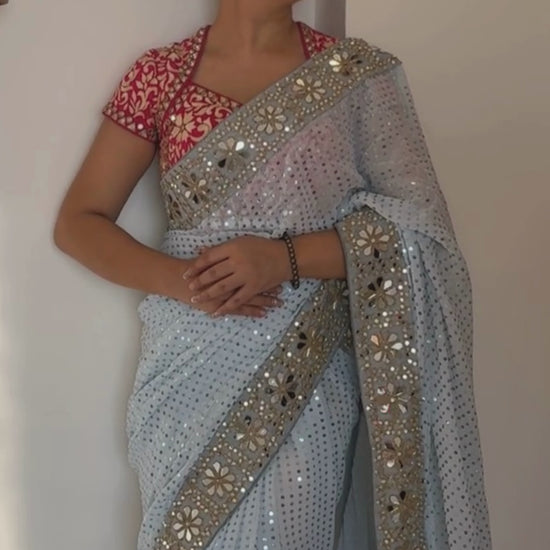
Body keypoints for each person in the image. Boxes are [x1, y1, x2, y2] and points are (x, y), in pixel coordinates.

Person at [53, 1, 492, 549]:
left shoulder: (356, 77)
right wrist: (186, 281)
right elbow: (78, 223)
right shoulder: (161, 75)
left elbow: (422, 238)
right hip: (190, 366)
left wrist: (283, 258)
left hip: (307, 371)